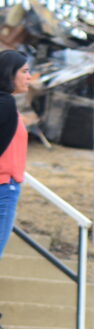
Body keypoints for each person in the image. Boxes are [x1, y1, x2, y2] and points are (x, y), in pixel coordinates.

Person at [0, 50, 31, 259]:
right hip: (4, 187)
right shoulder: (6, 104)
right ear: (9, 74)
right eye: (25, 71)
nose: (29, 77)